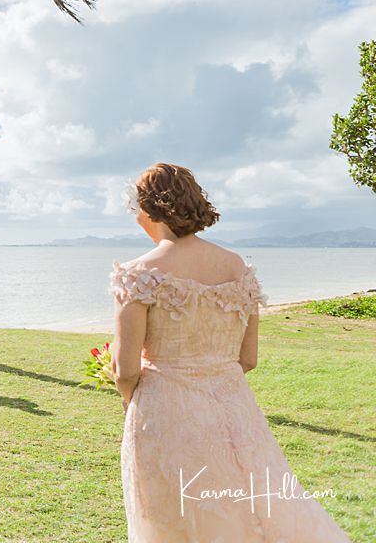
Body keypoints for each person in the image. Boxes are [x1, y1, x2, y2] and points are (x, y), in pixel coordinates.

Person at [112, 163, 350, 541]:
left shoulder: (140, 273)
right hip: (235, 411)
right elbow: (248, 358)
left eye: (135, 206)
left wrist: (130, 400)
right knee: (251, 508)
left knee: (173, 517)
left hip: (166, 412)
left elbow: (124, 367)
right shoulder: (237, 266)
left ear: (148, 208)